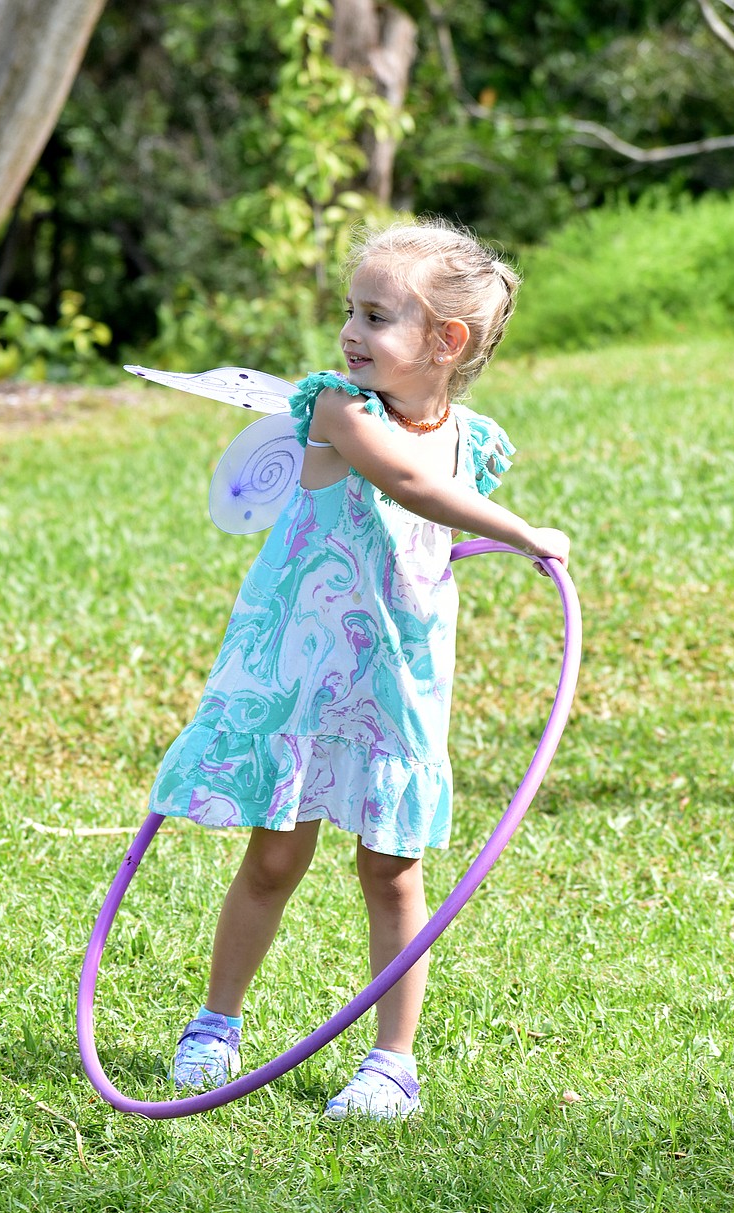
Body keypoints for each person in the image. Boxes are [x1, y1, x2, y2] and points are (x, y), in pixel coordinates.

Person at [149, 218, 570, 1120]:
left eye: (375, 315)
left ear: (444, 342)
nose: (350, 330)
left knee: (393, 869)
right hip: (305, 672)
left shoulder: (475, 443)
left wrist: (503, 527)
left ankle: (391, 1066)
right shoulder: (339, 410)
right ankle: (214, 1027)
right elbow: (409, 488)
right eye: (351, 309)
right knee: (276, 853)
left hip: (396, 679)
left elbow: (441, 499)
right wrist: (525, 534)